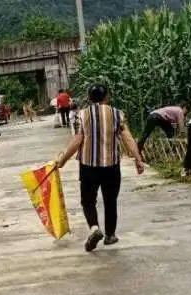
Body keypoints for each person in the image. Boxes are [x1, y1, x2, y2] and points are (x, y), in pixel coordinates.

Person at [56, 84, 146, 252]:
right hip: (111, 166)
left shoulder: (82, 115)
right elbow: (127, 138)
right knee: (110, 200)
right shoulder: (117, 114)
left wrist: (63, 160)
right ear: (107, 97)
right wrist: (138, 159)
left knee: (88, 201)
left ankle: (94, 228)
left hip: (89, 166)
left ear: (89, 98)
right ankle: (110, 235)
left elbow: (77, 141)